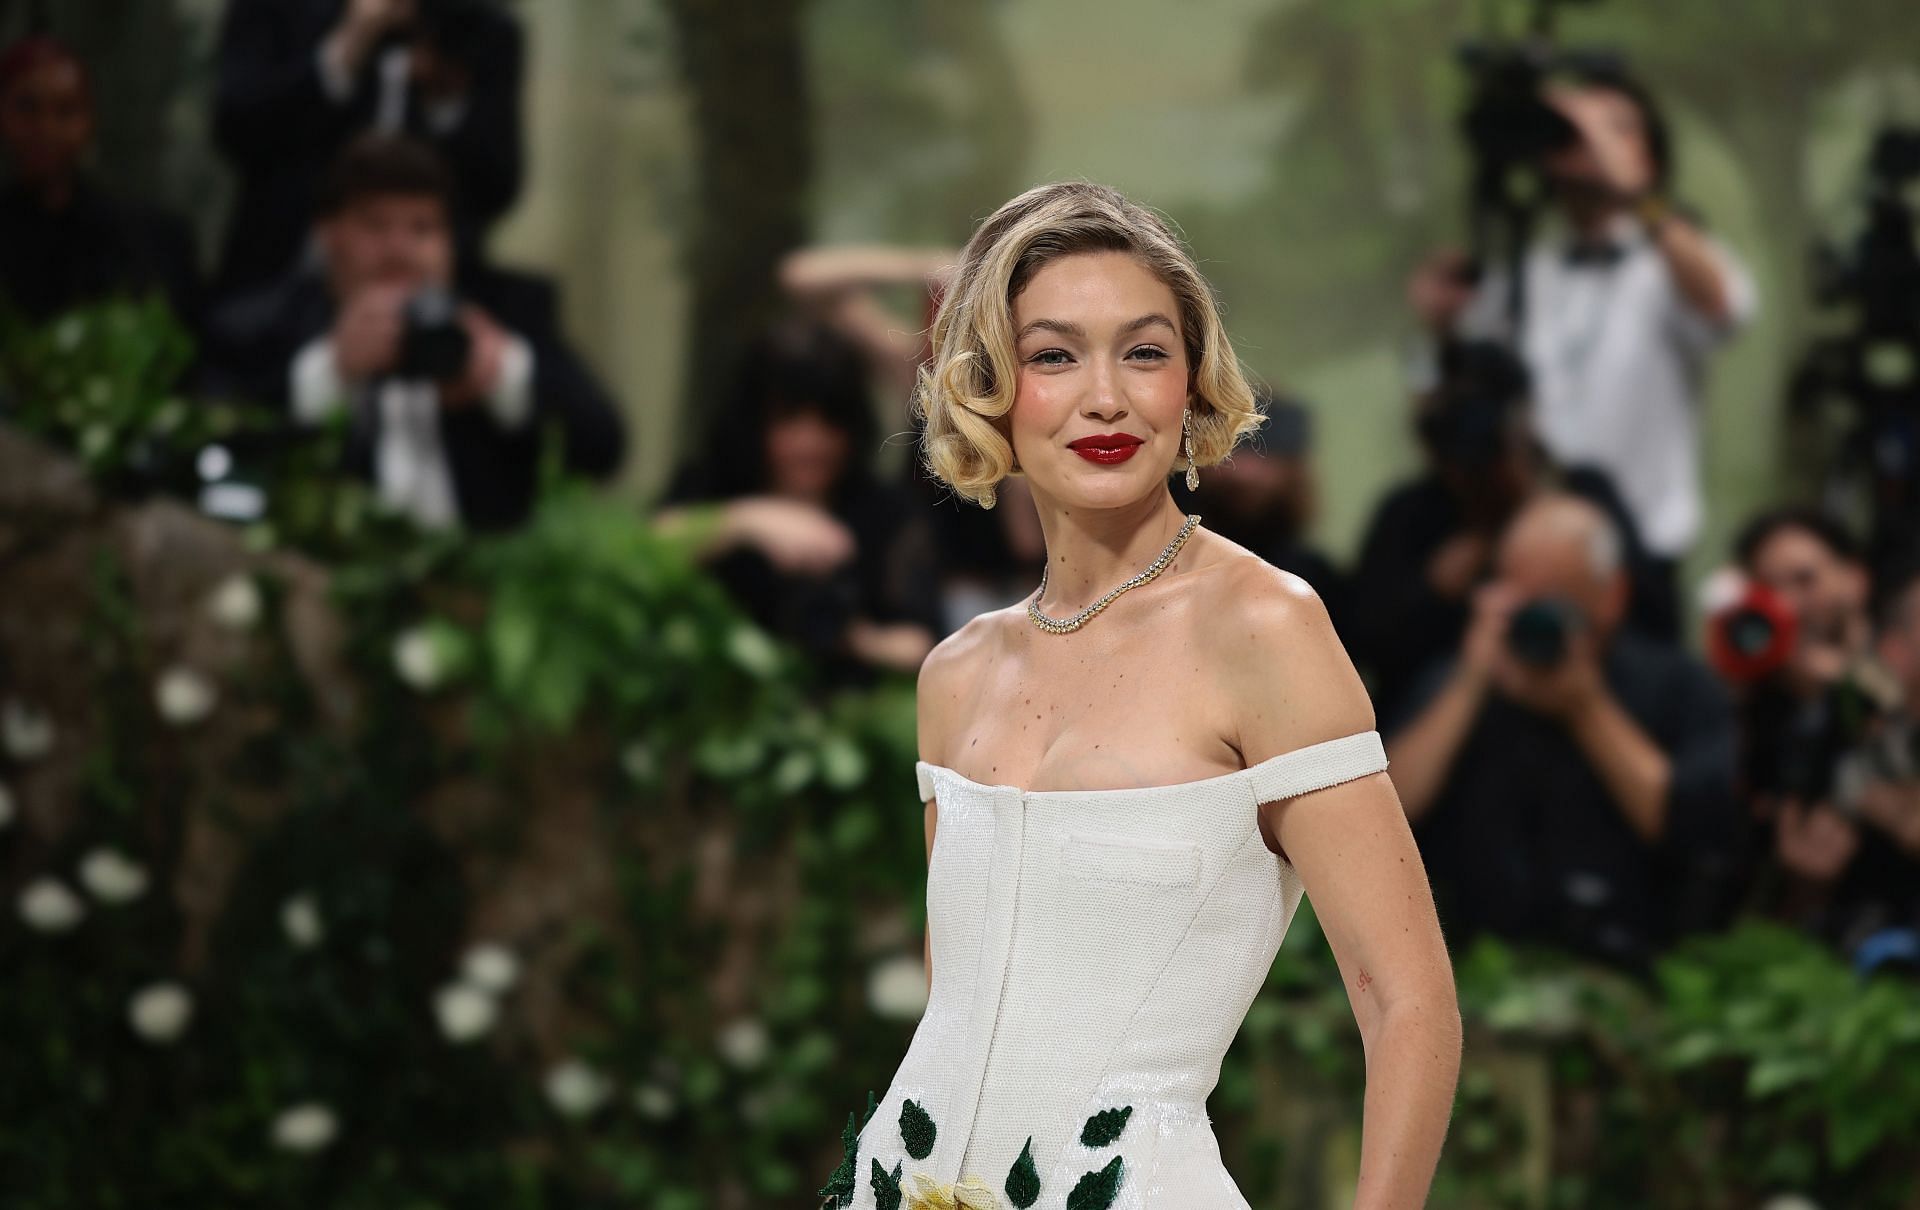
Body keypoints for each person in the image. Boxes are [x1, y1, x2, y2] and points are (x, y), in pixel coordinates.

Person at [819, 183, 1459, 1210]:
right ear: (990, 384)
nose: (1105, 397)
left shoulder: (1265, 629)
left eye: (1146, 351)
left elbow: (1409, 1000)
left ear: (1193, 386)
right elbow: (963, 1003)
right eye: (1055, 354)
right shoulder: (957, 674)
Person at [1409, 68, 1758, 640]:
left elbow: (1725, 310)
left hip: (1639, 554)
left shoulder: (1668, 260)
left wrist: (1637, 193)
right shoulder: (1529, 270)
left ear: (1651, 151)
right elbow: (1449, 401)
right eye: (1575, 128)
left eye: (1617, 127)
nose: (1591, 141)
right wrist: (1438, 331)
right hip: (1527, 549)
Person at [1385, 493, 1743, 971]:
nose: (1536, 621)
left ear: (1611, 598)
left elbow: (1688, 826)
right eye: (1518, 597)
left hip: (1633, 967)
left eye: (1554, 602)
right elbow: (1386, 815)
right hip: (1477, 968)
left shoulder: (1679, 687)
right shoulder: (1460, 677)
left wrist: (1586, 706)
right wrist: (1470, 681)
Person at [202, 134, 623, 532]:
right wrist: (330, 374)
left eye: (422, 229)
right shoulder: (257, 327)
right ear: (327, 235)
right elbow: (208, 454)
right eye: (376, 226)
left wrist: (503, 377)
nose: (400, 250)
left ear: (449, 243)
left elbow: (603, 447)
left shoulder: (507, 314)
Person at [1350, 340, 1658, 719]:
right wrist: (1431, 593)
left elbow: (1655, 619)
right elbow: (1363, 644)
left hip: (1581, 703)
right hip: (1452, 722)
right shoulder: (1412, 513)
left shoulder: (1580, 490)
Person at [654, 315, 942, 685]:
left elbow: (923, 642)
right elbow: (643, 552)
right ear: (755, 422)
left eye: (830, 420)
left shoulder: (885, 512)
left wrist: (851, 636)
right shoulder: (709, 487)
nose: (811, 441)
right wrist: (745, 522)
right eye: (789, 418)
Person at [211, 0, 524, 293]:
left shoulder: (479, 27)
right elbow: (239, 130)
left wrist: (445, 99)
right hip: (281, 278)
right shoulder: (279, 10)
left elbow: (496, 185)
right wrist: (346, 50)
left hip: (437, 293)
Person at [0, 36, 200, 327]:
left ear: (89, 119)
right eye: (28, 108)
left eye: (66, 111)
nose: (46, 129)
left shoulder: (150, 240)